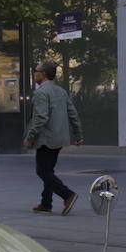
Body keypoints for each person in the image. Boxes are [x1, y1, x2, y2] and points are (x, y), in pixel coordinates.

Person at [23, 63, 83, 214]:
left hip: (46, 138)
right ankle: (46, 203)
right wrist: (78, 134)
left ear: (42, 74)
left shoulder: (41, 93)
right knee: (48, 170)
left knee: (42, 171)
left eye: (35, 71)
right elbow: (73, 113)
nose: (34, 73)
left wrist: (30, 136)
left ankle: (67, 195)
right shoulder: (61, 91)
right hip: (59, 138)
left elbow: (41, 117)